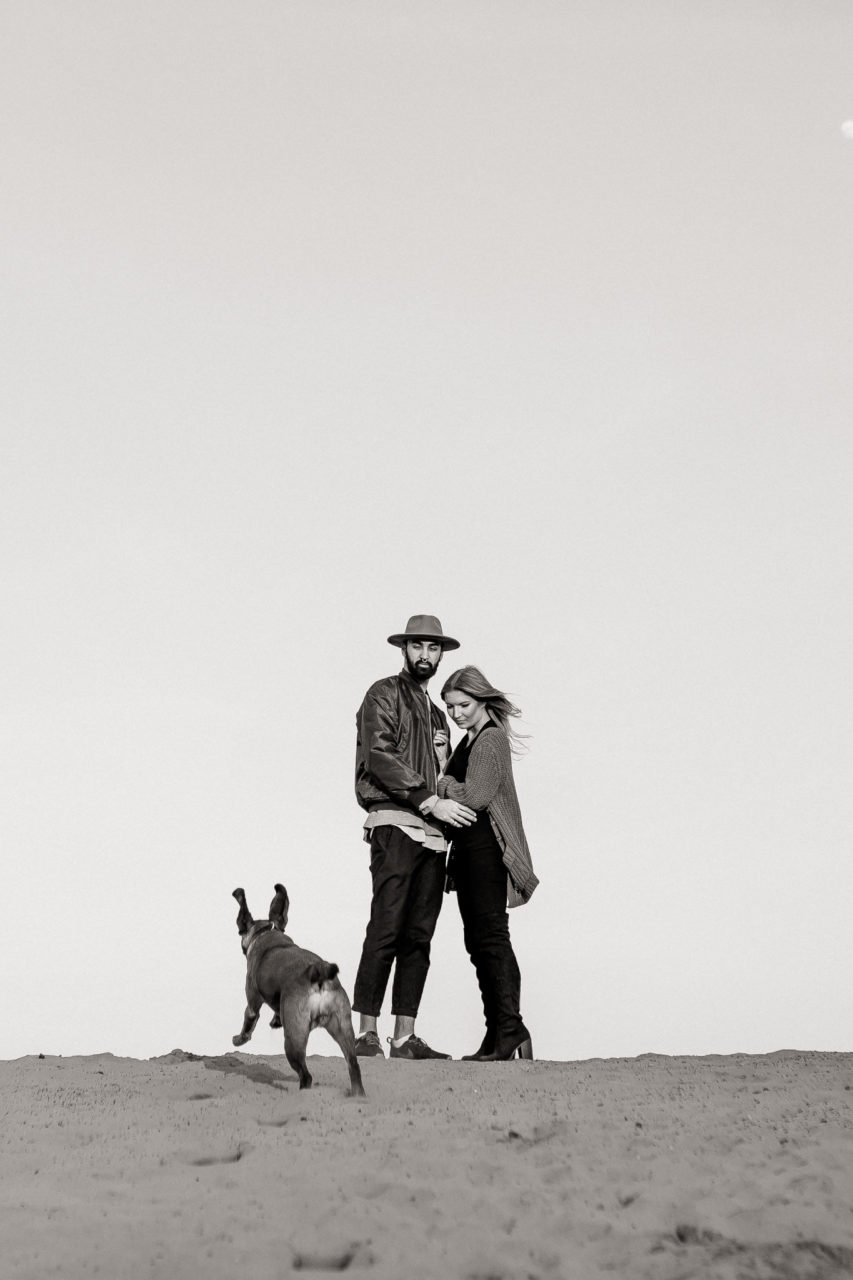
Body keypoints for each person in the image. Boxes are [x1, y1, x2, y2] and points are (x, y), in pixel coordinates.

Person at [352, 615, 476, 1060]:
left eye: (434, 648)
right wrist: (428, 799)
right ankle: (366, 1033)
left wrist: (445, 772)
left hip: (435, 834)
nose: (426, 655)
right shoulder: (382, 693)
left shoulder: (439, 712)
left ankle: (404, 1037)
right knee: (386, 924)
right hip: (395, 821)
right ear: (403, 649)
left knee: (419, 935)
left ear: (442, 654)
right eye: (418, 646)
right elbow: (380, 755)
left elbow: (446, 779)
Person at [438, 666, 539, 1061]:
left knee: (491, 939)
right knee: (479, 943)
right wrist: (446, 761)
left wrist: (444, 785)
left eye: (464, 704)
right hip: (469, 854)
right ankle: (499, 1029)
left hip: (486, 853)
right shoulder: (471, 740)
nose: (457, 713)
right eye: (450, 707)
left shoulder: (490, 739)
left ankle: (509, 1029)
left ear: (482, 699)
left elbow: (477, 796)